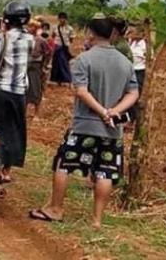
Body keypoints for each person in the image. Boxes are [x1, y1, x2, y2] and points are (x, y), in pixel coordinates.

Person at [29, 15, 138, 228]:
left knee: (63, 163)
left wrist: (101, 112)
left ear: (91, 33)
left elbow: (81, 91)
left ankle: (56, 208)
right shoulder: (126, 62)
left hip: (85, 124)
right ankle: (96, 219)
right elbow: (133, 93)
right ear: (112, 34)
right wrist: (113, 112)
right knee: (105, 171)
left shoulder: (84, 59)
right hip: (113, 128)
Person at [0, 1, 34, 183]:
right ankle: (6, 171)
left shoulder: (2, 38)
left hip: (0, 92)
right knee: (14, 131)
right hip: (19, 94)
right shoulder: (30, 39)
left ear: (6, 19)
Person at [26, 20, 51, 120]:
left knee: (36, 89)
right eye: (29, 26)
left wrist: (44, 66)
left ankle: (36, 113)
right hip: (25, 66)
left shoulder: (41, 40)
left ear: (36, 28)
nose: (30, 28)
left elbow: (48, 53)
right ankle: (25, 112)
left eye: (32, 27)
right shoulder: (25, 39)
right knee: (25, 89)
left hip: (36, 66)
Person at [50, 12, 75, 86]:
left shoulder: (70, 28)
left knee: (63, 63)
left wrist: (69, 47)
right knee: (56, 64)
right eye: (60, 18)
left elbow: (71, 39)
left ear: (66, 19)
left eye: (63, 18)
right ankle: (55, 79)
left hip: (64, 47)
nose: (62, 20)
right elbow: (53, 36)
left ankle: (66, 79)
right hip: (57, 47)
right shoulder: (55, 27)